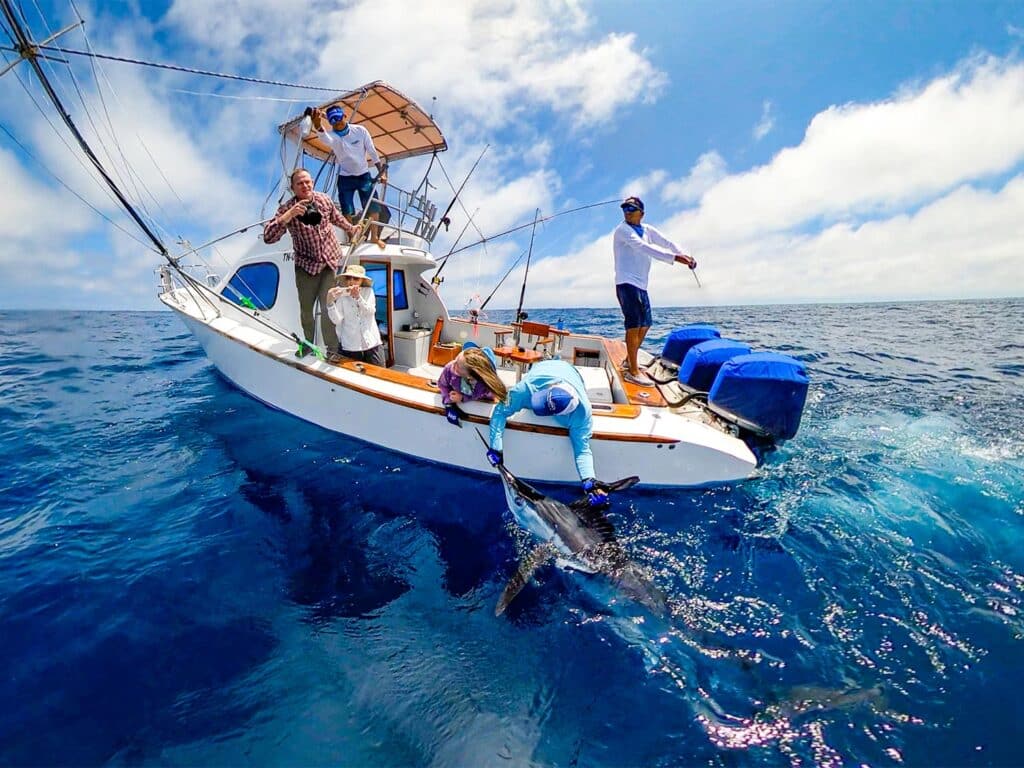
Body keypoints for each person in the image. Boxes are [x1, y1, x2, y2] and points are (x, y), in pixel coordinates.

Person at [486, 359, 608, 506]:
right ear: (551, 387)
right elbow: (501, 411)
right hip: (544, 366)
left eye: (545, 408)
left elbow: (582, 448)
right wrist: (496, 447)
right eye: (542, 400)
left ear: (564, 413)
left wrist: (589, 480)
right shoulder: (527, 387)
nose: (539, 406)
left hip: (572, 373)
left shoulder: (582, 414)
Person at [264, 168, 359, 355]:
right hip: (306, 266)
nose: (305, 185)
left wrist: (351, 228)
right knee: (306, 311)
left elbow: (336, 218)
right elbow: (268, 237)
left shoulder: (324, 200)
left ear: (313, 182)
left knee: (327, 307)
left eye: (307, 182)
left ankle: (332, 350)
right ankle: (308, 345)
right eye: (299, 183)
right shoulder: (287, 208)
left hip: (330, 262)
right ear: (292, 188)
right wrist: (288, 215)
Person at [612, 196, 697, 387]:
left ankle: (628, 360)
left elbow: (666, 242)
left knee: (646, 324)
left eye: (632, 208)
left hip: (641, 285)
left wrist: (685, 254)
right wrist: (676, 259)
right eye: (625, 208)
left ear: (641, 213)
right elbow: (644, 247)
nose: (627, 211)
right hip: (626, 283)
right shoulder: (622, 230)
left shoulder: (648, 229)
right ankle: (632, 371)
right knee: (633, 326)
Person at [313, 105, 385, 221]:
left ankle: (375, 237)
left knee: (373, 206)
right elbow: (325, 138)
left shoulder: (360, 130)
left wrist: (381, 172)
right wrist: (317, 124)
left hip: (364, 175)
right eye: (332, 120)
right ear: (330, 123)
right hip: (345, 176)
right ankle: (351, 234)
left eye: (338, 118)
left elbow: (372, 151)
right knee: (347, 208)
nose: (336, 122)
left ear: (344, 116)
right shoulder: (333, 136)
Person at [325, 264, 387, 366]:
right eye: (349, 278)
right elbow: (336, 320)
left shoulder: (369, 291)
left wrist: (358, 297)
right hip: (351, 347)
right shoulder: (342, 296)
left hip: (372, 343)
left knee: (380, 374)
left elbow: (370, 311)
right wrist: (330, 303)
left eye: (356, 278)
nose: (351, 281)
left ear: (362, 280)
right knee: (353, 376)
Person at [437, 341, 508, 426]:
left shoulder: (482, 383)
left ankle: (489, 361)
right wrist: (448, 403)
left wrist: (462, 398)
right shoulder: (449, 368)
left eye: (457, 366)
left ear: (469, 376)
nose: (453, 364)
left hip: (485, 395)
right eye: (456, 359)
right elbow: (442, 384)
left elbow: (478, 394)